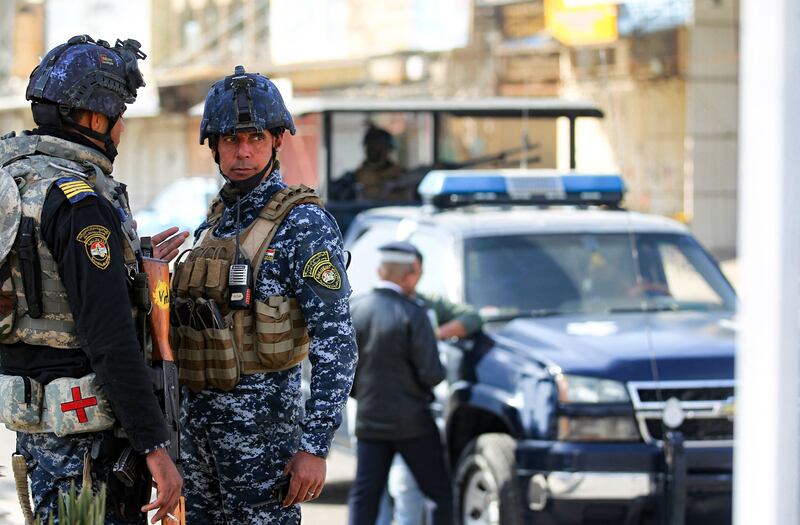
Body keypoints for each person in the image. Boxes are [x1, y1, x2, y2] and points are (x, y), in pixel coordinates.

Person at [0, 35, 185, 524]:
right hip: (88, 446)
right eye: (118, 114)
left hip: (36, 433)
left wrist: (135, 267)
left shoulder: (17, 186)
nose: (122, 127)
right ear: (95, 119)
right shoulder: (80, 203)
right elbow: (108, 338)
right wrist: (155, 446)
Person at [176, 65, 357, 524]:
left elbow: (336, 343)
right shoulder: (212, 223)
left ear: (276, 140)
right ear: (213, 147)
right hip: (199, 442)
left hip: (264, 446)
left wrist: (314, 446)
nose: (243, 152)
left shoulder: (304, 225)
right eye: (231, 140)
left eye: (255, 139)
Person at [347, 241, 453, 525]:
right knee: (440, 494)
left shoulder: (356, 310)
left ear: (381, 270)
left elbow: (347, 374)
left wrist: (366, 396)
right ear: (413, 272)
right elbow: (432, 374)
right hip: (414, 425)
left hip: (370, 421)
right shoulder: (414, 313)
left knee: (365, 496)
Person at [379, 276, 483, 525]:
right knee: (386, 488)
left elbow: (473, 318)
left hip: (403, 410)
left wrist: (434, 335)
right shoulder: (378, 307)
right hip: (385, 411)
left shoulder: (425, 304)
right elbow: (433, 374)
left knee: (400, 488)